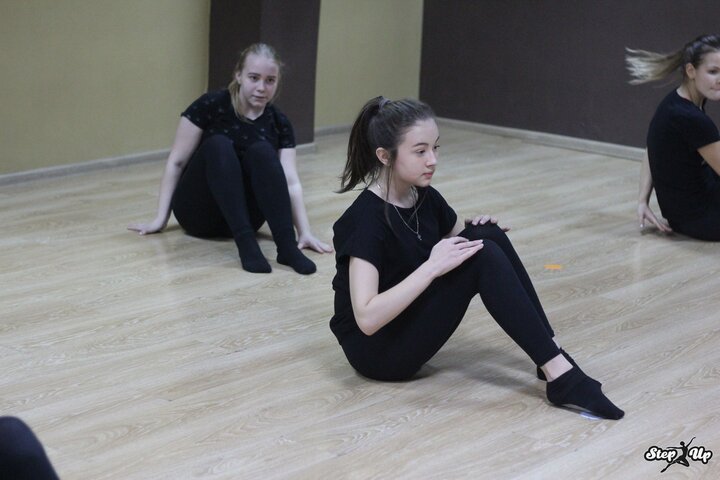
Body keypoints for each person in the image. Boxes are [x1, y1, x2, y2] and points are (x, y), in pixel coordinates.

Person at [329, 97, 624, 420]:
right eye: (420, 151)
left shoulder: (422, 195)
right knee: (483, 258)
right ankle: (562, 377)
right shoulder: (365, 221)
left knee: (488, 235)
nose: (433, 160)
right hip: (378, 351)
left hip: (406, 320)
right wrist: (431, 268)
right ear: (385, 156)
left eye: (435, 148)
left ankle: (551, 354)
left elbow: (466, 239)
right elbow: (367, 319)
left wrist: (482, 231)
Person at [128, 43, 331, 273]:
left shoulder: (279, 122)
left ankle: (286, 248)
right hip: (199, 213)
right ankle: (246, 244)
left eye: (270, 80)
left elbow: (291, 181)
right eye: (254, 78)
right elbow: (177, 162)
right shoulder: (210, 105)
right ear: (238, 75)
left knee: (262, 151)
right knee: (218, 145)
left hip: (248, 216)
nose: (261, 87)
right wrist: (160, 219)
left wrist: (304, 231)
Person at [627, 34, 720, 241]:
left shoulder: (673, 102)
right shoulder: (692, 118)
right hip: (704, 219)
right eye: (713, 71)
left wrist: (642, 201)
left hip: (682, 215)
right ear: (691, 70)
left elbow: (652, 148)